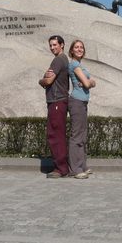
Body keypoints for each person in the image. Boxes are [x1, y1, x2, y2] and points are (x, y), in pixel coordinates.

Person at [39, 35, 69, 177]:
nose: (52, 48)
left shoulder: (58, 60)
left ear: (62, 45)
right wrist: (45, 77)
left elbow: (49, 80)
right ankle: (61, 167)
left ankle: (61, 169)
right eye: (50, 45)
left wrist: (41, 80)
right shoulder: (61, 59)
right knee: (56, 134)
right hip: (56, 101)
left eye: (55, 45)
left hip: (57, 101)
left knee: (55, 135)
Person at [67, 39, 96, 179]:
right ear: (71, 50)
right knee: (76, 136)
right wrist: (88, 82)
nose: (79, 49)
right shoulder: (74, 64)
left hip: (83, 103)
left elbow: (92, 82)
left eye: (81, 47)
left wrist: (89, 82)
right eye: (76, 47)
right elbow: (87, 82)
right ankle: (75, 169)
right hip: (77, 102)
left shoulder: (80, 65)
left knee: (82, 136)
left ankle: (82, 165)